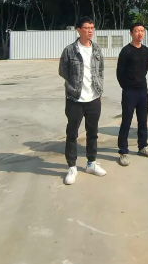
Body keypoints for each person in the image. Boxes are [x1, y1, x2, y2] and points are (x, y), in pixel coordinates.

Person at [58, 16, 107, 185]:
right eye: (86, 28)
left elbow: (101, 71)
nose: (90, 31)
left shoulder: (97, 49)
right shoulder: (69, 50)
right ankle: (72, 167)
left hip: (94, 99)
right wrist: (73, 86)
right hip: (75, 99)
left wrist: (99, 89)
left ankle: (91, 163)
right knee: (72, 133)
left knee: (92, 133)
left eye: (92, 28)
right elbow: (63, 71)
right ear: (78, 30)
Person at [116, 23, 148, 166]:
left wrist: (139, 84)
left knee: (143, 120)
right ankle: (123, 151)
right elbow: (119, 73)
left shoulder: (145, 50)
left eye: (142, 31)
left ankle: (142, 146)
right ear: (131, 33)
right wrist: (127, 86)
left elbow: (145, 68)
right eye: (137, 31)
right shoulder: (126, 51)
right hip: (129, 92)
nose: (140, 33)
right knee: (126, 121)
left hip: (143, 90)